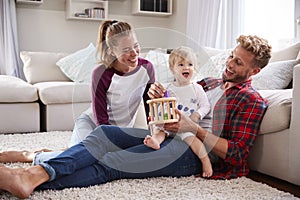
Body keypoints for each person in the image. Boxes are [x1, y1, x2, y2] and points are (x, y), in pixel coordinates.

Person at [0, 35, 272, 199]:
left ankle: (28, 177)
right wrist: (159, 96)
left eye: (238, 63)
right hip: (170, 135)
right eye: (231, 57)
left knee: (113, 162)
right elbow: (180, 100)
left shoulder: (251, 100)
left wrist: (193, 128)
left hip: (193, 154)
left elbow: (237, 155)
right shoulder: (210, 83)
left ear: (255, 71)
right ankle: (29, 174)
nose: (229, 64)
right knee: (103, 135)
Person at [0, 19, 155, 163]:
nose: (134, 53)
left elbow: (151, 107)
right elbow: (101, 121)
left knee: (104, 157)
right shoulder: (101, 73)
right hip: (93, 125)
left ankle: (64, 151)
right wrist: (108, 145)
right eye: (127, 49)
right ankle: (29, 155)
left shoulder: (147, 68)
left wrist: (155, 133)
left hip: (121, 130)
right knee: (87, 157)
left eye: (136, 46)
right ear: (112, 52)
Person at [143, 46, 212, 177]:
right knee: (159, 132)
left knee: (194, 140)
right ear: (172, 68)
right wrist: (158, 117)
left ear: (195, 68)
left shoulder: (196, 88)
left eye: (190, 64)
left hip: (185, 126)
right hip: (169, 124)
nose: (186, 67)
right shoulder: (167, 88)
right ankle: (156, 142)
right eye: (181, 64)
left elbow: (205, 106)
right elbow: (161, 105)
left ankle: (205, 161)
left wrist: (197, 115)